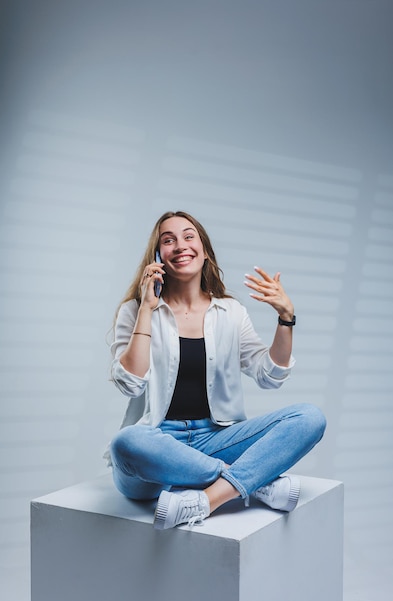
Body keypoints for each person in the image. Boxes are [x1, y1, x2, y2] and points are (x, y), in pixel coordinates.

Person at [106, 211, 326, 530]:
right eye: (168, 240)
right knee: (125, 443)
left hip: (216, 437)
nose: (180, 245)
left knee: (310, 417)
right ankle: (253, 482)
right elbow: (130, 383)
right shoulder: (136, 311)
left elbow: (270, 374)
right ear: (157, 256)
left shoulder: (230, 312)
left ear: (204, 250)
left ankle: (207, 500)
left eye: (188, 236)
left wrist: (286, 318)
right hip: (158, 444)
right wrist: (146, 309)